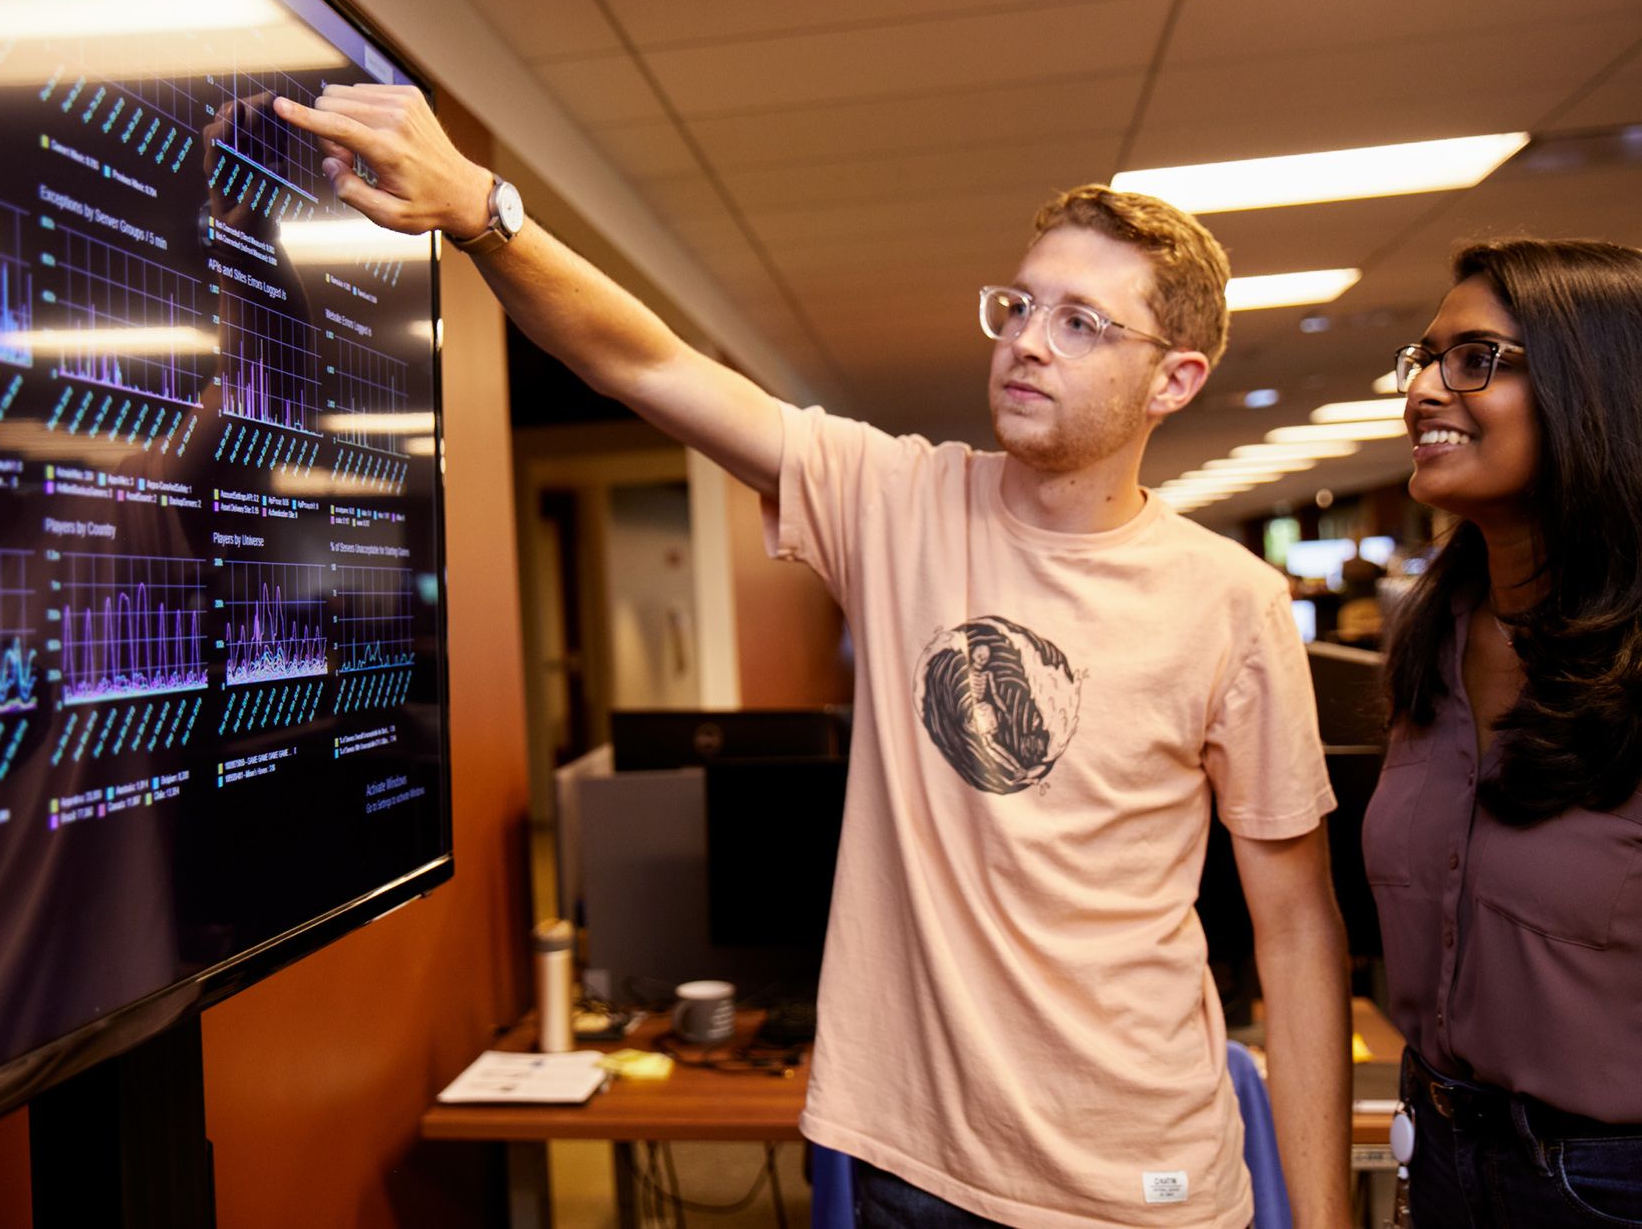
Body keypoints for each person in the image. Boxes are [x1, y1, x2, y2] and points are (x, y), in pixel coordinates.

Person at [274, 85, 1351, 1227]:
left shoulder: (1230, 600)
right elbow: (644, 366)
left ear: (1171, 380)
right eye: (1019, 304)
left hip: (1140, 1177)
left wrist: (1325, 1214)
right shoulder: (896, 499)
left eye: (1080, 322)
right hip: (907, 1163)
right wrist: (485, 215)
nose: (1027, 341)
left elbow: (1293, 925)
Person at [1365, 239, 1642, 1226]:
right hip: (1439, 1151)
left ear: (1593, 387)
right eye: (1424, 358)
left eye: (1473, 358)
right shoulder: (1429, 641)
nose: (1424, 391)